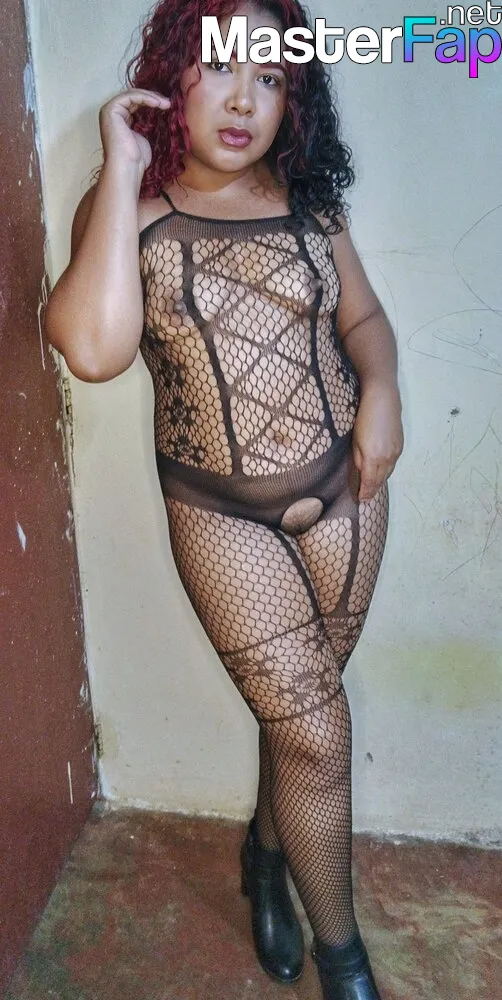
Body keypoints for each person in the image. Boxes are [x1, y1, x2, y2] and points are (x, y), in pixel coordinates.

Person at [44, 0, 404, 995]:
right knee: (317, 734)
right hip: (220, 511)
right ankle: (345, 962)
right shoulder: (131, 208)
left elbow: (363, 318)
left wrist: (382, 388)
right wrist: (122, 166)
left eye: (272, 76)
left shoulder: (308, 199)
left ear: (295, 98)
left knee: (300, 725)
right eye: (222, 67)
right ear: (173, 74)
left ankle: (265, 853)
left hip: (350, 490)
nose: (245, 99)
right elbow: (92, 350)